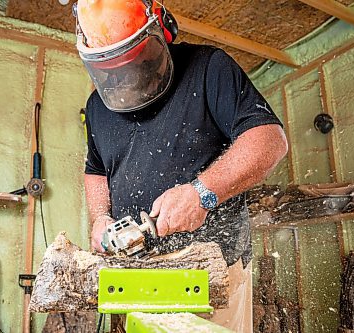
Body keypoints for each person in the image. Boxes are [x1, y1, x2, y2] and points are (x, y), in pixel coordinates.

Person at [75, 0, 288, 331]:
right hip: (135, 274)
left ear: (161, 28)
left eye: (135, 58)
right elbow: (96, 170)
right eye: (112, 66)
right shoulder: (96, 106)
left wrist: (202, 192)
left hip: (210, 274)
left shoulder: (209, 68)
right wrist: (100, 217)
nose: (125, 75)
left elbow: (268, 140)